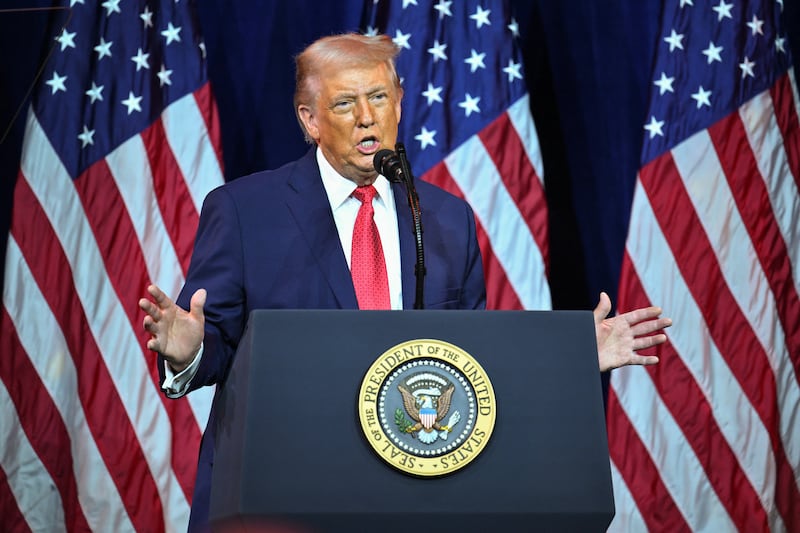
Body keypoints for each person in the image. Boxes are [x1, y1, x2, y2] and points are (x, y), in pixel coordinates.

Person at [139, 33, 671, 531]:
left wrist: (566, 357)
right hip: (283, 497)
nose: (367, 118)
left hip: (410, 499)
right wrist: (189, 350)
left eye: (378, 97)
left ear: (399, 101)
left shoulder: (444, 219)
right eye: (345, 104)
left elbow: (468, 364)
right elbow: (218, 346)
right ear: (310, 120)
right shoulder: (244, 211)